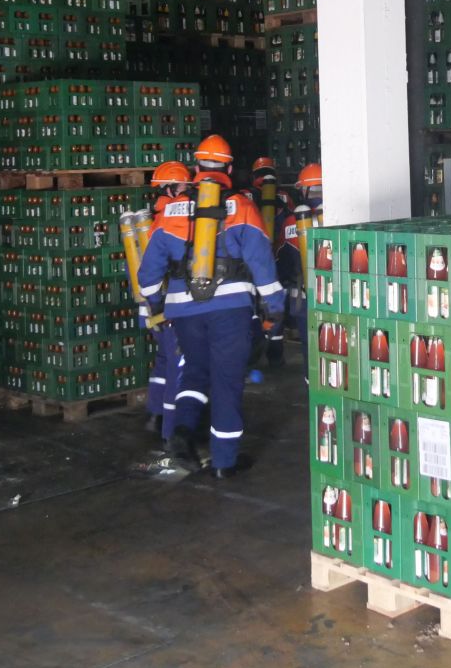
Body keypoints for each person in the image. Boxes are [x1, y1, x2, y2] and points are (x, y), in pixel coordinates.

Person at [136, 134, 286, 478]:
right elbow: (262, 262)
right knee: (226, 381)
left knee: (195, 372)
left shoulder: (172, 210)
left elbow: (149, 271)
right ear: (229, 169)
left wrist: (156, 304)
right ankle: (224, 462)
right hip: (229, 309)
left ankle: (182, 431)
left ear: (195, 167)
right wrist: (275, 306)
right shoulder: (242, 206)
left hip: (183, 311)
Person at [138, 161, 192, 440]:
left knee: (163, 361)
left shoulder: (154, 218)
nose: (186, 189)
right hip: (166, 307)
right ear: (171, 188)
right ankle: (171, 433)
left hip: (149, 306)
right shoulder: (173, 220)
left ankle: (154, 414)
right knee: (178, 368)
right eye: (183, 185)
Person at [243, 157, 291, 368]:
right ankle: (275, 357)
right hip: (275, 258)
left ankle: (251, 357)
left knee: (250, 310)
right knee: (274, 306)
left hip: (250, 261)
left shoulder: (244, 196)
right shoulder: (284, 197)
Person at [276, 162, 322, 362]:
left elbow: (282, 262)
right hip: (339, 298)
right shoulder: (341, 216)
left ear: (304, 190)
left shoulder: (291, 223)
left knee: (310, 349)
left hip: (304, 299)